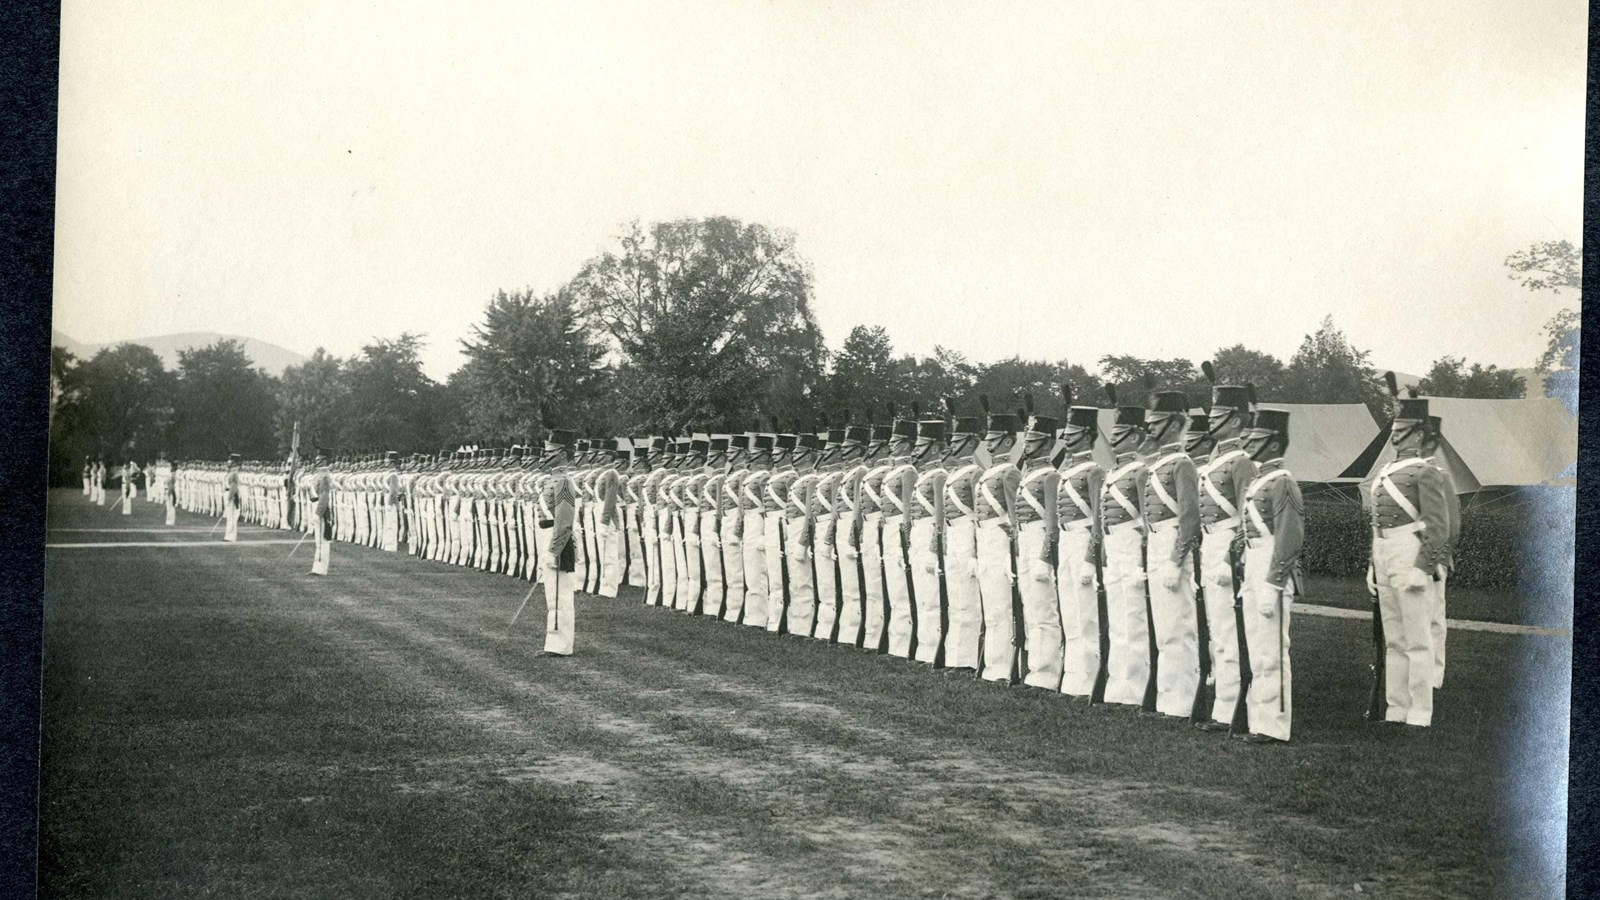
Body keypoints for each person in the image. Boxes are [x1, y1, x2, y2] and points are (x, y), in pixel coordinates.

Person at [1369, 395, 1450, 727]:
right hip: (1385, 551)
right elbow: (1376, 523)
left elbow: (1438, 526)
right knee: (1395, 639)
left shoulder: (1426, 472)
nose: (1396, 434)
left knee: (1418, 638)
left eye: (1403, 429)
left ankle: (1419, 711)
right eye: (1395, 427)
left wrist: (1423, 567)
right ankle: (1396, 706)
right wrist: (1372, 565)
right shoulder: (1386, 469)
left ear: (1418, 433)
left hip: (1409, 551)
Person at [1237, 407, 1304, 744]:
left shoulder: (1283, 482)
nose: (1250, 441)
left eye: (1258, 437)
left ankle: (1274, 725)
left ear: (1274, 442)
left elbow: (1289, 537)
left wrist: (1274, 582)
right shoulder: (1258, 480)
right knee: (1257, 648)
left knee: (1273, 648)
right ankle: (1257, 719)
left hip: (1270, 569)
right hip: (1253, 564)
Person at [1195, 381, 1255, 730]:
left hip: (1227, 547)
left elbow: (1248, 515)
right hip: (1209, 545)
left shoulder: (1241, 462)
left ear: (1235, 421)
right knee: (1217, 629)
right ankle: (1221, 704)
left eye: (1218, 415)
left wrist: (1232, 555)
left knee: (1231, 630)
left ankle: (1233, 705)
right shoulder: (1214, 461)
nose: (1211, 421)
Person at [1141, 390, 1202, 718]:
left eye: (1157, 422)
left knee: (1178, 625)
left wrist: (1177, 561)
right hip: (1155, 543)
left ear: (1174, 424)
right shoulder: (1157, 463)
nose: (1149, 428)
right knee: (1163, 628)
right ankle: (1166, 697)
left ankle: (1182, 699)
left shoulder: (1182, 464)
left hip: (1171, 546)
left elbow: (1189, 518)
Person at [1099, 392, 1149, 708]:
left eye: (1120, 435)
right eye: (1113, 435)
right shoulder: (1112, 472)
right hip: (1113, 545)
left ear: (1136, 436)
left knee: (1133, 617)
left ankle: (1136, 686)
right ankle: (1117, 684)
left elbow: (1146, 519)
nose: (1114, 440)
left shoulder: (1140, 471)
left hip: (1131, 544)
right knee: (1117, 618)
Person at [1056, 397, 1106, 699]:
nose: (1066, 438)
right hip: (1066, 541)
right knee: (1071, 613)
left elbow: (1098, 518)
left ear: (1088, 435)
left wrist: (1091, 556)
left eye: (1072, 434)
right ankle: (1073, 677)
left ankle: (1089, 679)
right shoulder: (1067, 471)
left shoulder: (1094, 471)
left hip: (1082, 539)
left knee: (1086, 614)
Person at [973, 399, 1022, 684]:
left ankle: (1004, 666)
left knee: (1002, 607)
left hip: (1000, 542)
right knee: (991, 607)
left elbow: (1014, 516)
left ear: (1008, 440)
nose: (989, 443)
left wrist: (1012, 552)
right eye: (988, 437)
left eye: (994, 438)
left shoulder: (1009, 472)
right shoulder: (989, 472)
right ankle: (991, 664)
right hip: (985, 540)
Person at [1015, 404, 1062, 690]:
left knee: (1044, 609)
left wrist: (1045, 556)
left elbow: (1051, 522)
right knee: (1030, 607)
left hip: (1039, 541)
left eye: (1032, 441)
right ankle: (1034, 668)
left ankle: (1046, 672)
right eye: (1027, 440)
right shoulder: (1028, 475)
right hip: (1025, 541)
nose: (1027, 445)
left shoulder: (1050, 476)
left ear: (1047, 442)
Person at [913, 414, 954, 667]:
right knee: (922, 596)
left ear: (935, 448)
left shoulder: (939, 475)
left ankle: (934, 649)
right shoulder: (922, 475)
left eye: (921, 445)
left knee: (933, 597)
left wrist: (934, 547)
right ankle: (924, 648)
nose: (916, 450)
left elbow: (940, 515)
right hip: (918, 535)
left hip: (929, 535)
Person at [1421, 415, 1459, 689]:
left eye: (1423, 438)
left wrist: (1440, 557)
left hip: (1433, 559)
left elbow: (1451, 524)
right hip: (1407, 557)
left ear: (1432, 442)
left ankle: (1434, 677)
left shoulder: (1440, 476)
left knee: (1434, 618)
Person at [537, 429, 580, 657]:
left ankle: (561, 646)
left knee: (559, 595)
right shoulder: (553, 479)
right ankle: (554, 643)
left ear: (562, 454)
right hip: (547, 536)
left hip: (558, 540)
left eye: (550, 452)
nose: (545, 455)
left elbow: (564, 521)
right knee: (551, 594)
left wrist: (554, 550)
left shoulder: (564, 481)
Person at [834, 422, 872, 648]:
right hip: (840, 526)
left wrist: (853, 536)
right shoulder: (848, 473)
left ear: (859, 450)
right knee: (846, 584)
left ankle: (855, 630)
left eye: (848, 448)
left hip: (851, 526)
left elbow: (858, 507)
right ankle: (846, 631)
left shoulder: (861, 472)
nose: (843, 451)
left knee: (855, 585)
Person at [223, 455, 241, 540]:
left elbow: (234, 486)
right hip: (226, 493)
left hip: (230, 494)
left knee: (231, 516)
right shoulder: (229, 473)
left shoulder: (234, 474)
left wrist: (231, 496)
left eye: (230, 462)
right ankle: (228, 535)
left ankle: (231, 536)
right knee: (229, 516)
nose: (228, 463)